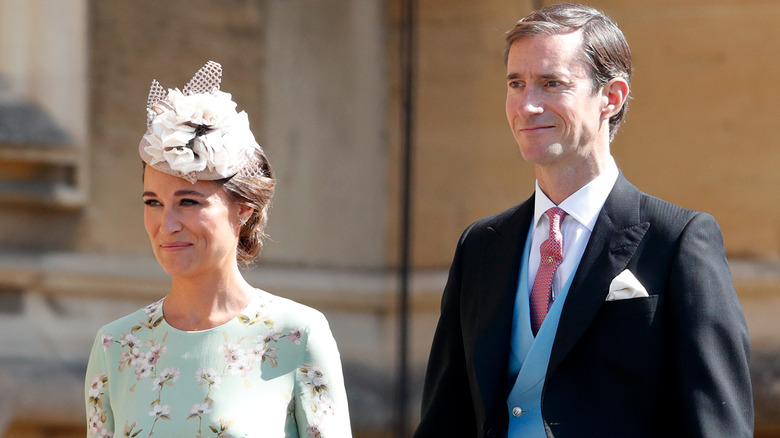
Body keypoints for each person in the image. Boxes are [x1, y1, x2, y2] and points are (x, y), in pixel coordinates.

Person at [413, 3, 753, 437]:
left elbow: (716, 424)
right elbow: (446, 418)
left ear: (611, 98)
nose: (527, 105)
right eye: (516, 83)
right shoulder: (481, 245)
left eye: (551, 83)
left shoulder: (679, 240)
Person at [85, 61, 352, 438]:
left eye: (189, 202)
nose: (167, 224)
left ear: (243, 210)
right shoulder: (115, 346)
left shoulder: (297, 335)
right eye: (153, 202)